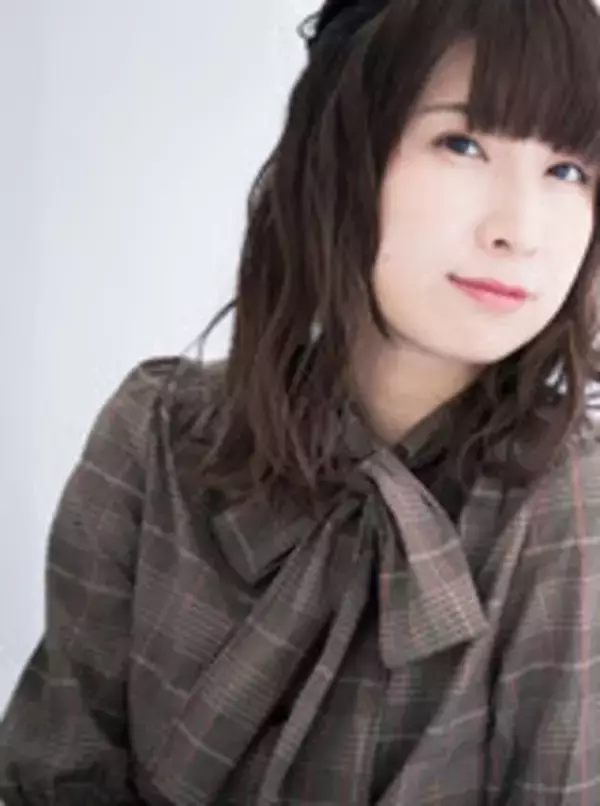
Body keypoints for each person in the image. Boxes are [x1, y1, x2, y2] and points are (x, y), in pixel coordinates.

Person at [2, 0, 600, 803]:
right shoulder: (156, 438)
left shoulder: (570, 508)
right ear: (342, 159)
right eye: (462, 143)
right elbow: (53, 774)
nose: (520, 230)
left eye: (569, 170)